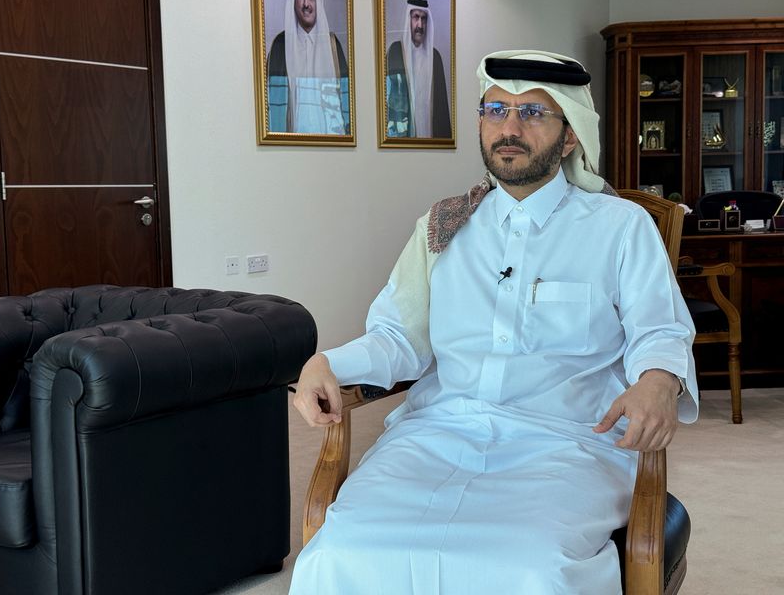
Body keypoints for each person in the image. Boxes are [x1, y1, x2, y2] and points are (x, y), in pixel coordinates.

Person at [290, 50, 698, 594]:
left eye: (532, 112)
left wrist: (658, 380)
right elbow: (399, 337)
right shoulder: (443, 226)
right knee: (342, 551)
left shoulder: (620, 228)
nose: (509, 128)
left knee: (531, 569)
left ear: (570, 134)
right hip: (437, 434)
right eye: (495, 109)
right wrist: (326, 362)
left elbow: (661, 330)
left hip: (568, 444)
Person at [267, 0, 350, 134]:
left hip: (330, 148)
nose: (306, 4)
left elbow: (346, 107)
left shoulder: (333, 47)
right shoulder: (280, 45)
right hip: (289, 147)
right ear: (293, 2)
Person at [386, 0, 451, 138]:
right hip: (402, 132)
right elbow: (388, 100)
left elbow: (442, 108)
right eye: (416, 17)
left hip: (430, 134)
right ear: (408, 19)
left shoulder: (435, 58)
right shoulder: (396, 52)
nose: (420, 25)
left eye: (424, 19)